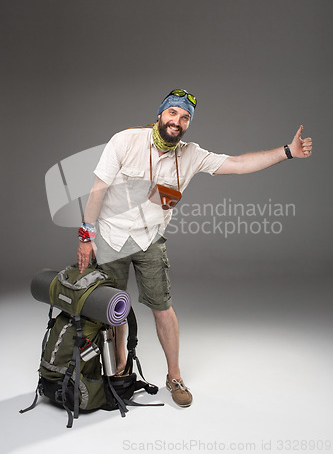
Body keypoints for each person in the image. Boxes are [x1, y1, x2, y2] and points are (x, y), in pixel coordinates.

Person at [77, 89, 312, 408]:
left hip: (149, 238)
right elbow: (98, 189)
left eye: (185, 117)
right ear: (159, 115)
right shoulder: (125, 141)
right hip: (111, 236)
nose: (178, 121)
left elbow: (239, 164)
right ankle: (120, 371)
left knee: (162, 307)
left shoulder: (191, 154)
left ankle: (174, 376)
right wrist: (85, 237)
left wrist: (287, 151)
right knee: (114, 309)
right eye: (172, 113)